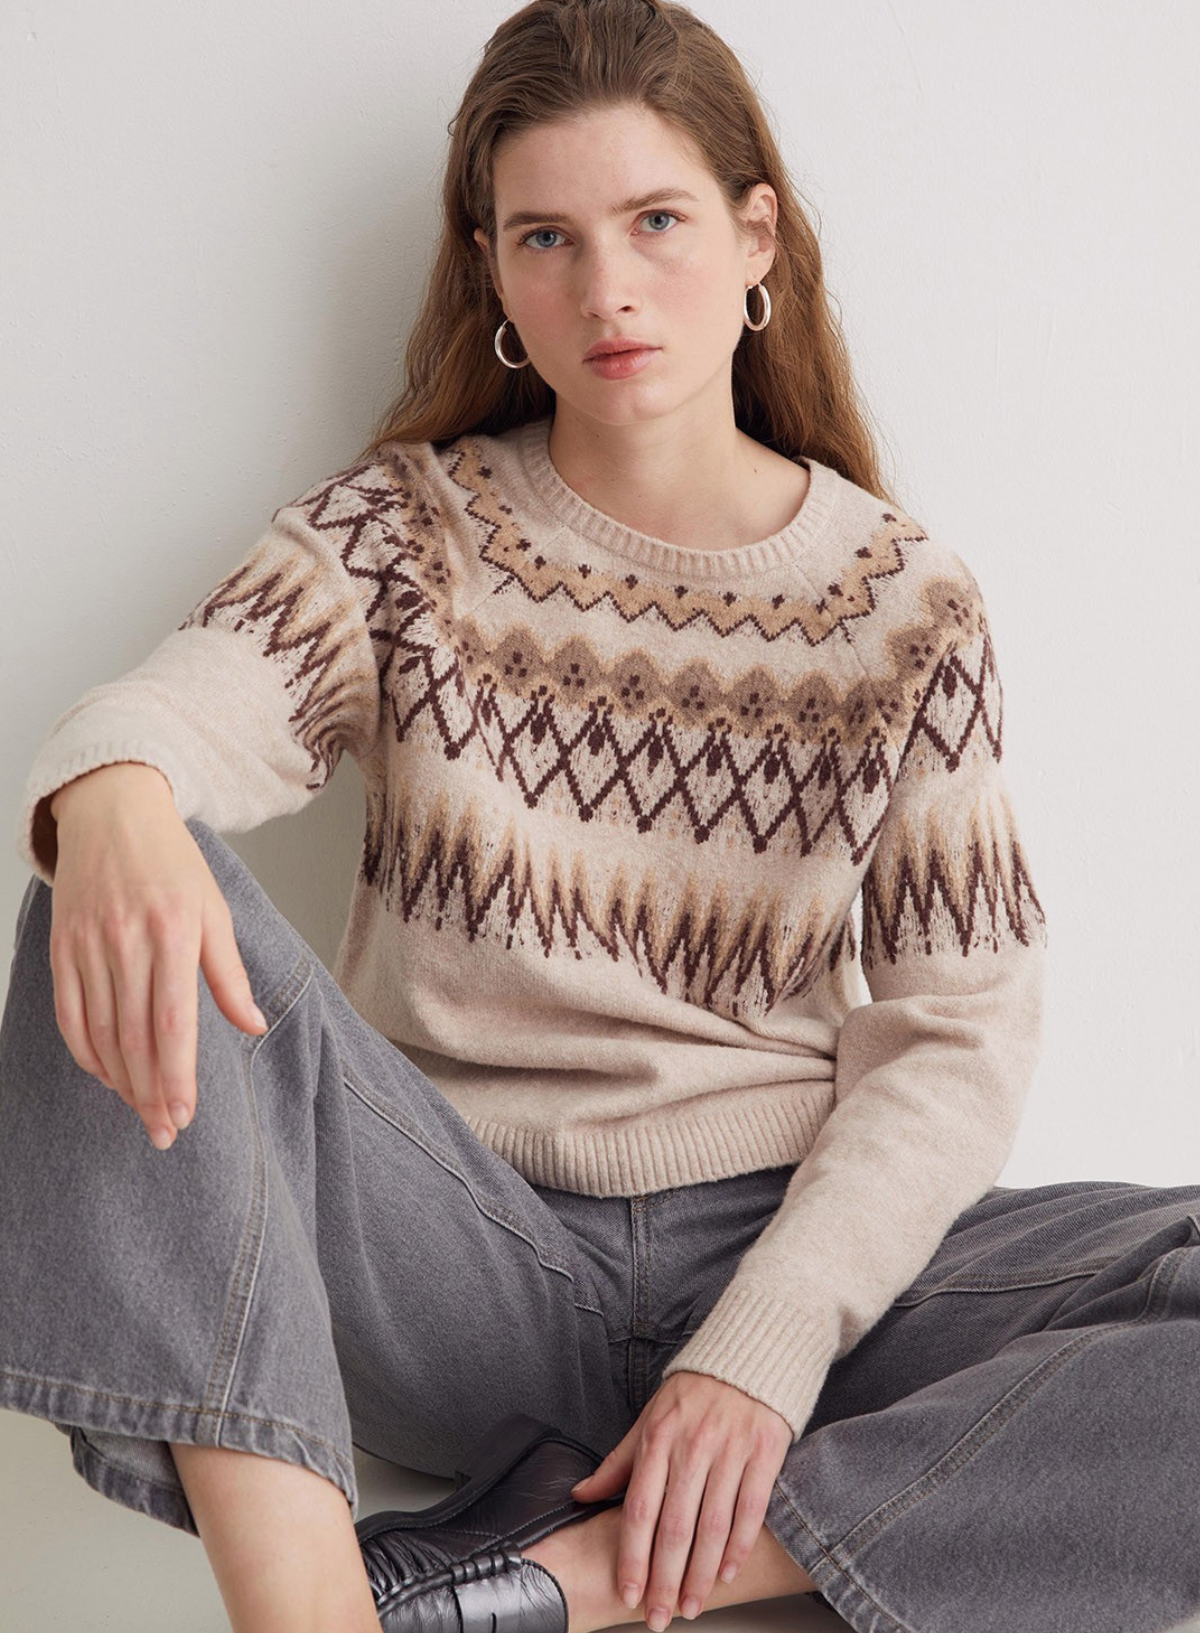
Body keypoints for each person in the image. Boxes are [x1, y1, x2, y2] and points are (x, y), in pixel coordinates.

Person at [2, 1, 1198, 1631]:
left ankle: (561, 1580)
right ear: (492, 270)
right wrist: (116, 793)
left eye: (655, 222)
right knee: (113, 884)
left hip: (788, 1251)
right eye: (546, 238)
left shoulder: (902, 605)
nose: (607, 289)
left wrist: (761, 1356)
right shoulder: (403, 537)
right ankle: (309, 1615)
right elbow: (185, 704)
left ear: (754, 233)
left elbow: (957, 1033)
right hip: (461, 1254)